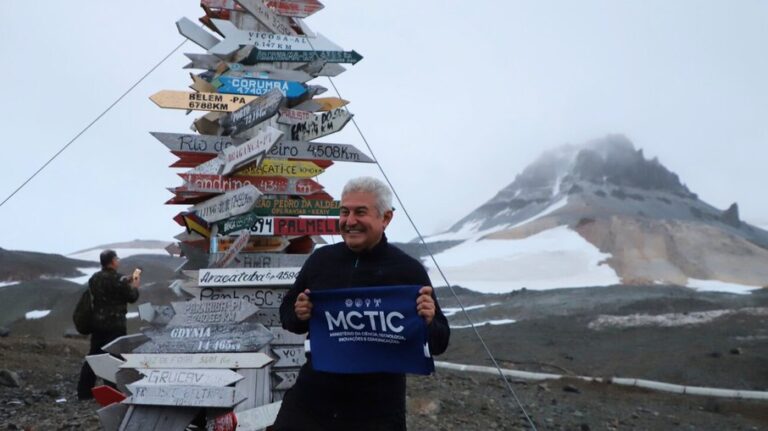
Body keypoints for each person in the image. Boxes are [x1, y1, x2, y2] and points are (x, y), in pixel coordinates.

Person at [273, 177, 450, 431]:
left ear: (385, 218)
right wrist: (299, 313)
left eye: (360, 212)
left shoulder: (408, 270)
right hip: (310, 404)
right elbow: (288, 315)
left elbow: (440, 342)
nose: (350, 220)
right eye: (344, 212)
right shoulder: (321, 260)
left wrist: (430, 321)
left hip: (377, 412)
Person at [76, 249, 140, 400]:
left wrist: (125, 282)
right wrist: (135, 286)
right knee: (115, 358)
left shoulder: (94, 278)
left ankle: (84, 392)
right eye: (116, 259)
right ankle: (113, 391)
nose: (118, 261)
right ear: (112, 261)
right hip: (115, 325)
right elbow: (131, 297)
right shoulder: (119, 279)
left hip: (97, 324)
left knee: (94, 357)